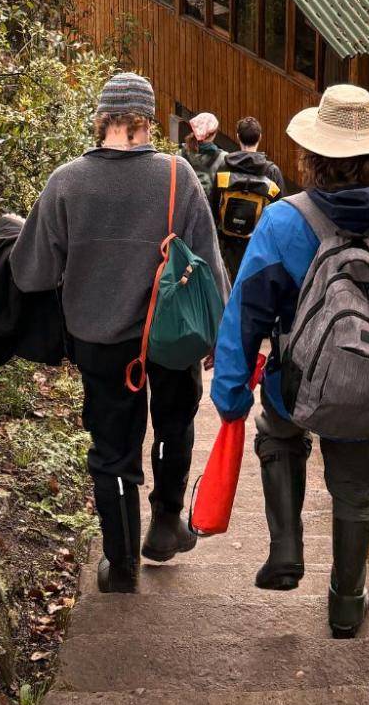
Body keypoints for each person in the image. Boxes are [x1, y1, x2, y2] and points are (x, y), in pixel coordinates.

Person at [210, 83, 369, 637]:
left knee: (279, 435)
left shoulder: (282, 223)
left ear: (315, 157)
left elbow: (244, 316)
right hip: (368, 389)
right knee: (358, 488)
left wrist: (230, 392)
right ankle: (347, 603)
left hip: (294, 389)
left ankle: (285, 547)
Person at [12, 72, 228, 594]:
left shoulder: (66, 181)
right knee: (173, 424)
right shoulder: (178, 176)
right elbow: (212, 268)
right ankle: (165, 522)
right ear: (148, 123)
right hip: (171, 336)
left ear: (100, 120)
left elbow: (33, 272)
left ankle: (121, 564)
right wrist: (219, 336)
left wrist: (15, 234)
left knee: (111, 450)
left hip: (101, 341)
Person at [212, 115, 286, 282]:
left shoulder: (224, 166)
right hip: (259, 242)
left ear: (237, 137)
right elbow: (281, 211)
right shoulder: (271, 171)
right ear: (260, 137)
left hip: (229, 242)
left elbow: (214, 204)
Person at [180, 111, 227, 200]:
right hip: (209, 211)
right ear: (214, 134)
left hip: (185, 209)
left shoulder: (180, 154)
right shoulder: (222, 158)